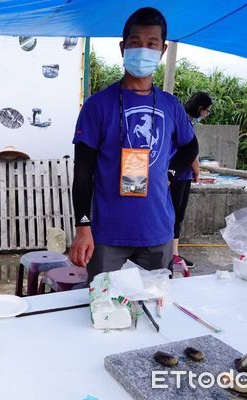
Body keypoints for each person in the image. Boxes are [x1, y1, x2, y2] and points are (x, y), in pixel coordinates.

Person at [69, 7, 197, 281]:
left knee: (155, 310)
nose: (143, 49)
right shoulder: (97, 105)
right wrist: (82, 226)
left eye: (151, 44)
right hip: (106, 234)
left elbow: (190, 146)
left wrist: (171, 173)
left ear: (162, 50)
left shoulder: (170, 105)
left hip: (158, 231)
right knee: (104, 312)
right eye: (136, 42)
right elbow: (82, 174)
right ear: (122, 47)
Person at [170, 92, 212, 270]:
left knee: (175, 216)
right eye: (207, 111)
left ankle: (173, 253)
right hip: (178, 176)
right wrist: (197, 170)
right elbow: (190, 151)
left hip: (179, 175)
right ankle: (172, 255)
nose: (207, 114)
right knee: (175, 216)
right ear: (200, 108)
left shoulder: (182, 119)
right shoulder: (184, 123)